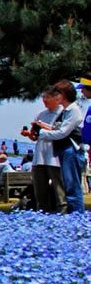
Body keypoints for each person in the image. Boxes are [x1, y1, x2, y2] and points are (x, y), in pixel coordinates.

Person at [34, 80, 85, 214]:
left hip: (71, 150)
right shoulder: (66, 111)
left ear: (64, 94)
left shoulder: (73, 110)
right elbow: (58, 129)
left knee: (72, 185)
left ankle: (77, 215)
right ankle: (74, 215)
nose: (56, 96)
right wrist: (45, 128)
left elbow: (63, 132)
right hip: (64, 149)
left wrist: (41, 133)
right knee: (68, 185)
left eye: (57, 93)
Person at [25, 87, 68, 213]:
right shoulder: (41, 114)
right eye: (43, 97)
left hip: (54, 157)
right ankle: (43, 213)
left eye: (47, 97)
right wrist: (29, 134)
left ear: (56, 98)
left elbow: (62, 132)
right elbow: (35, 136)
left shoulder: (63, 113)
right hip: (39, 157)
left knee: (59, 189)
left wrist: (43, 126)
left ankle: (63, 213)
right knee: (40, 191)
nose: (45, 100)